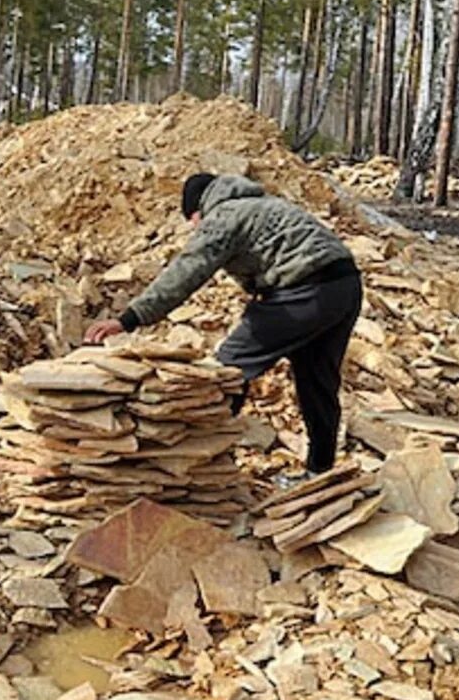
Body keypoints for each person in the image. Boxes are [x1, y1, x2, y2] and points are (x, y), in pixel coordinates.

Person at [84, 172, 361, 485]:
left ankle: (205, 462)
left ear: (199, 209)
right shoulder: (265, 205)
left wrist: (128, 319)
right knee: (317, 380)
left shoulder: (225, 215)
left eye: (193, 220)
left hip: (302, 291)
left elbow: (187, 271)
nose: (194, 228)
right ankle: (319, 473)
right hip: (345, 286)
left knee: (228, 369)